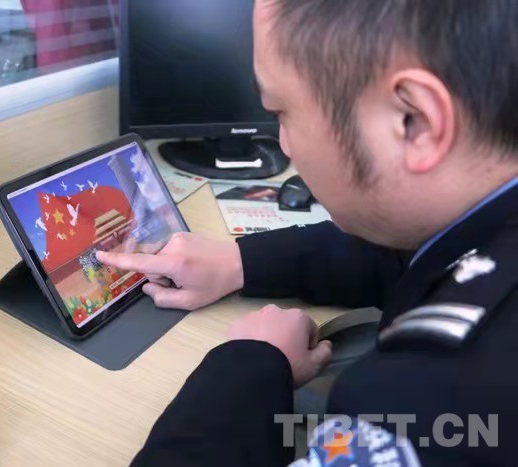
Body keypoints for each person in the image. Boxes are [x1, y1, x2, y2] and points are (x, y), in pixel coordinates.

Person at [98, 0, 518, 465]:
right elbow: (408, 252)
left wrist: (250, 364)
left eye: (281, 112)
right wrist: (239, 262)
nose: (283, 143)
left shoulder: (427, 401)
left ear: (414, 123)